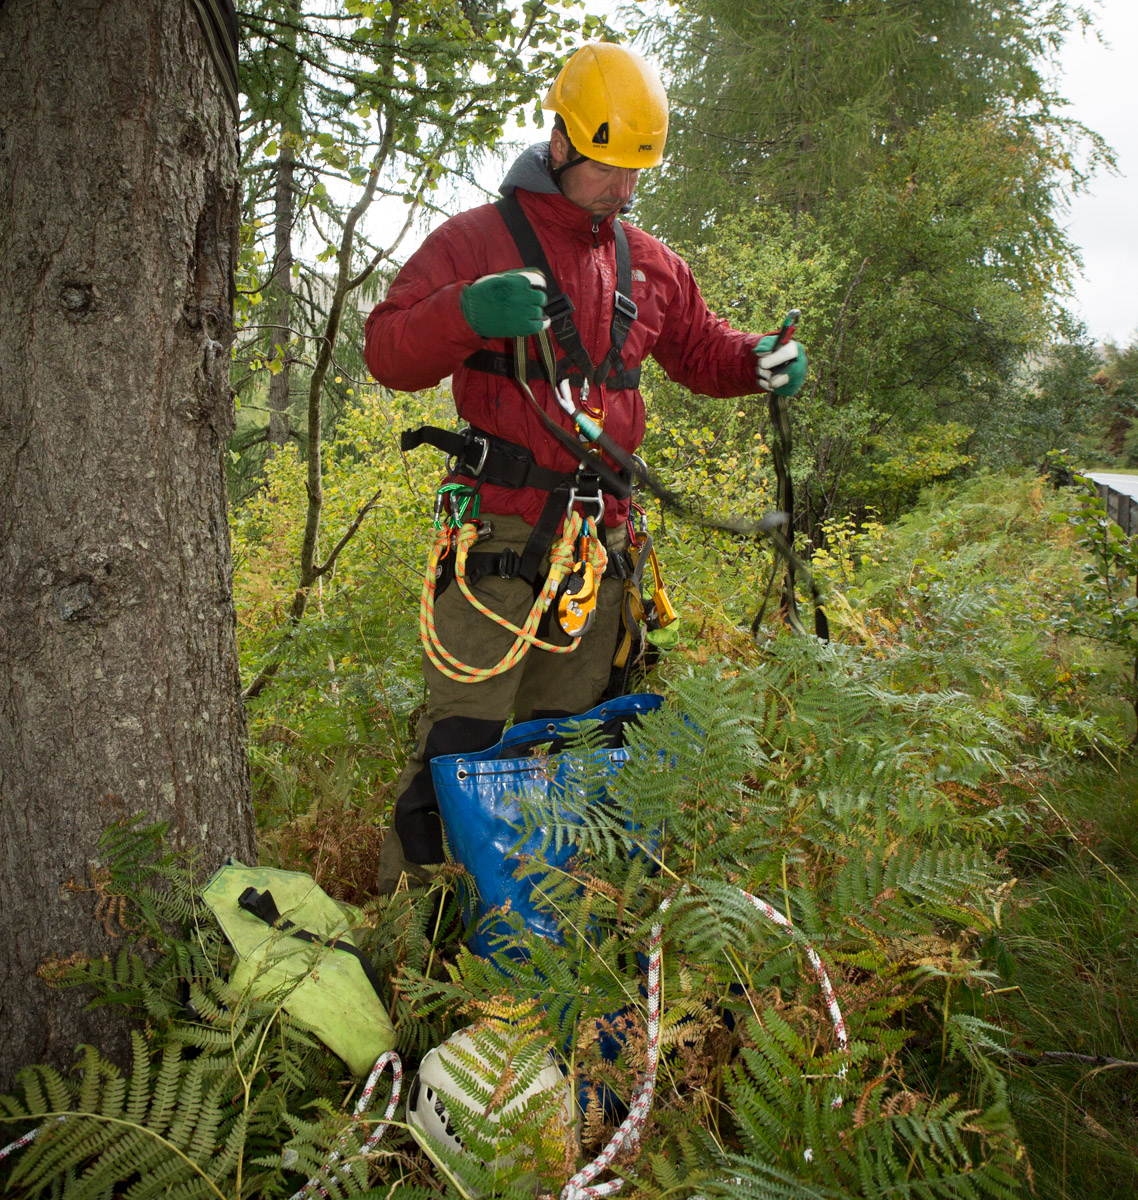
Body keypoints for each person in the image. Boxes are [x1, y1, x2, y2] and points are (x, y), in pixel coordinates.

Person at [364, 42, 806, 893]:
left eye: (639, 169)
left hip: (596, 548)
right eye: (610, 167)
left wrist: (759, 360)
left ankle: (543, 939)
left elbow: (702, 350)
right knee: (462, 748)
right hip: (494, 537)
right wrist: (465, 310)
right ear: (561, 142)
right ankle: (414, 949)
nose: (625, 187)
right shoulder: (476, 240)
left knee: (568, 751)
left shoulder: (649, 262)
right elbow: (388, 350)